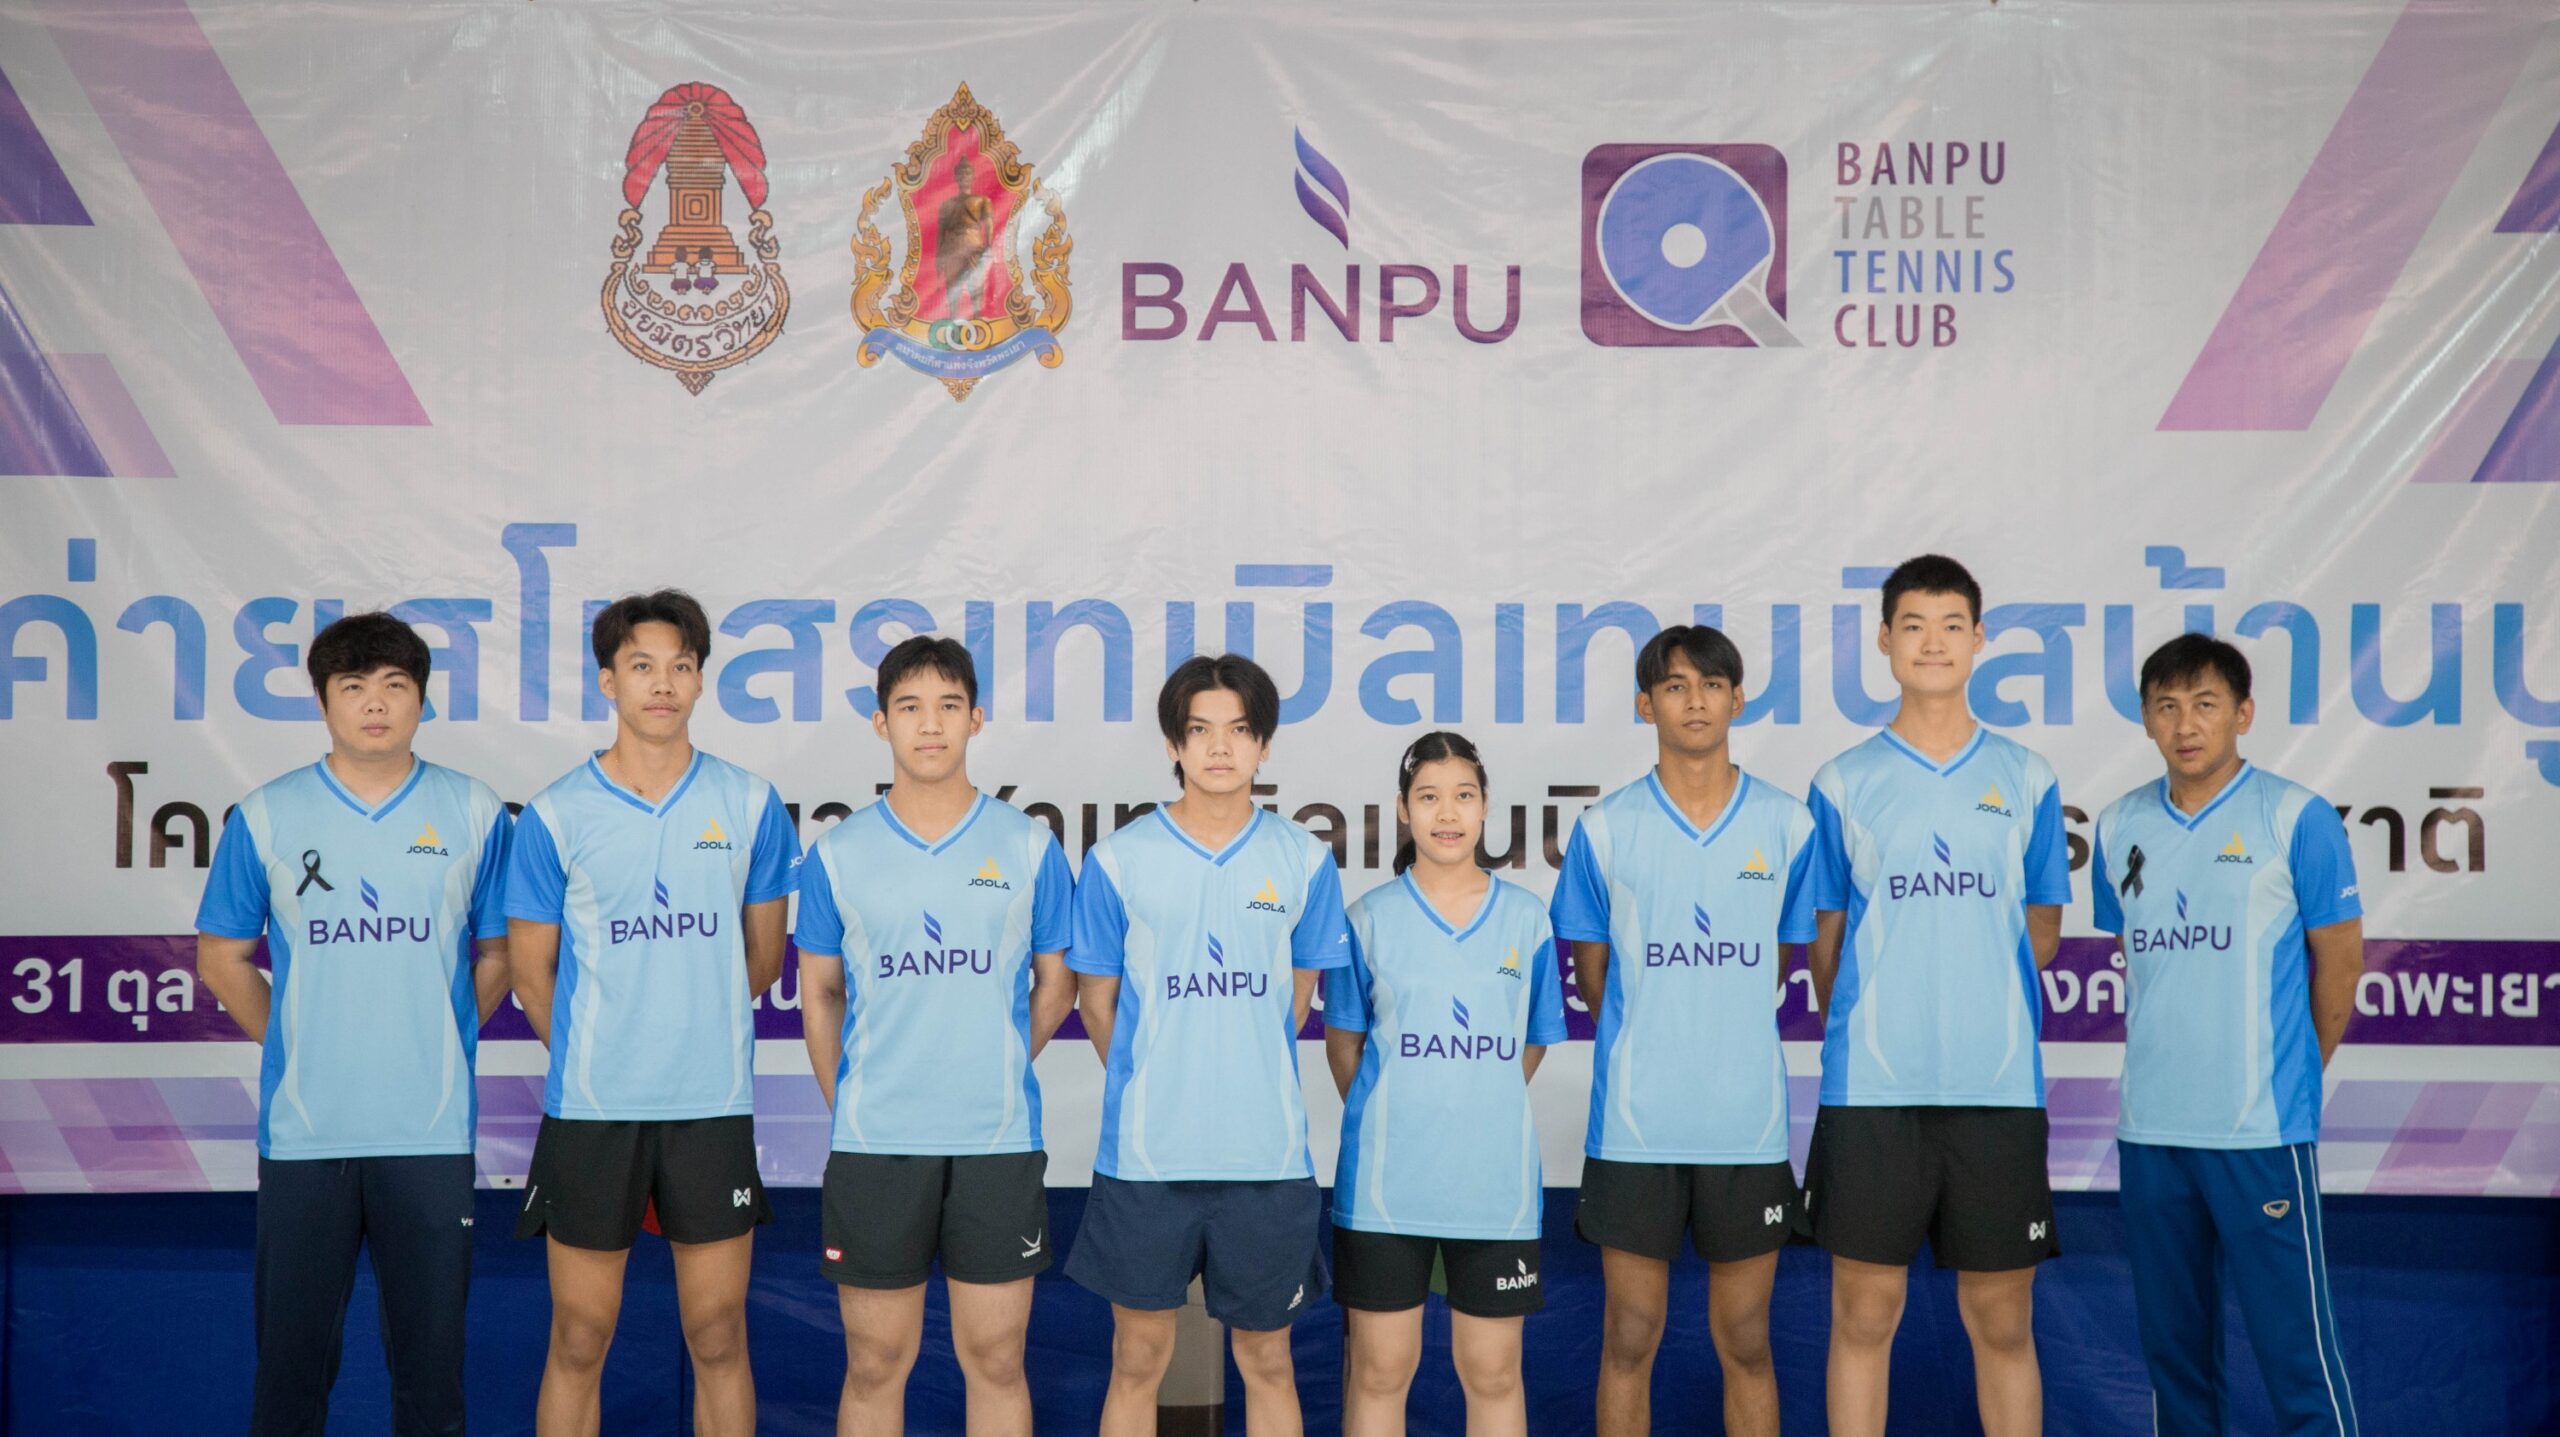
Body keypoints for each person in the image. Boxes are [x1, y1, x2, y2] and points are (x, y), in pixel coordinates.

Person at [194, 611, 512, 1437]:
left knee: (432, 1384)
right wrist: (299, 1038)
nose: (376, 702)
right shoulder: (266, 814)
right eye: (354, 685)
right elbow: (222, 957)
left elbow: (501, 951)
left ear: (423, 700)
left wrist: (443, 1028)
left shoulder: (474, 810)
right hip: (309, 1132)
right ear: (323, 700)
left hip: (429, 1131)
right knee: (290, 1379)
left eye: (396, 685)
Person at [505, 590, 799, 1437]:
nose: (662, 683)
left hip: (710, 1104)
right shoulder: (557, 813)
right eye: (642, 666)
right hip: (593, 1109)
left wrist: (689, 1026)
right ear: (609, 680)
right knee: (579, 1335)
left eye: (681, 666)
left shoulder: (749, 802)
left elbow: (762, 959)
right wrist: (604, 1053)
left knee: (718, 1332)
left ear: (701, 680)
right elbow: (531, 974)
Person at [1803, 554, 2071, 1437]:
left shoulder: (2027, 776)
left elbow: (2041, 928)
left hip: (1997, 1088)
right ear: (1884, 640)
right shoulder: (1842, 780)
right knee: (1863, 1313)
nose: (1933, 642)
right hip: (1874, 1090)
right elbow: (1828, 941)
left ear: (1980, 639)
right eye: (1913, 625)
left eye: (1952, 625)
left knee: (2002, 1320)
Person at [793, 635, 1077, 1437]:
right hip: (876, 1144)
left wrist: (993, 1059)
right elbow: (820, 993)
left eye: (949, 706)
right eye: (910, 707)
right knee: (875, 1361)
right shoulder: (838, 854)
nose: (930, 724)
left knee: (997, 1358)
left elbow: (1056, 985)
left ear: (976, 718)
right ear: (881, 722)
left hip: (995, 1142)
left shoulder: (1028, 845)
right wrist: (854, 1098)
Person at [1064, 653, 1352, 1437]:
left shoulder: (1303, 858)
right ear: (1173, 744)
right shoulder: (1119, 859)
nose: (1220, 747)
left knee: (1269, 1360)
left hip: (1266, 1159)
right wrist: (1156, 1078)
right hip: (1147, 1160)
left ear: (1264, 744)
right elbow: (1097, 1002)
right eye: (1200, 730)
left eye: (1239, 730)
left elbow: (1298, 997)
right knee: (1137, 1359)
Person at [1549, 625, 1820, 1437]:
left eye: (1711, 684)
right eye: (1674, 685)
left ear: (1738, 698)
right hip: (1638, 1128)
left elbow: (1779, 962)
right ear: (1646, 704)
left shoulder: (1787, 825)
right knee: (1629, 1337)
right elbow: (1594, 976)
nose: (1694, 700)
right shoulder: (1606, 828)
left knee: (1747, 1339)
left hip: (1746, 1126)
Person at [2092, 634, 2364, 1437]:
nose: (2186, 724)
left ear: (2243, 713)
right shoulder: (2118, 824)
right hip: (2152, 1133)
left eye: (2206, 704)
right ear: (2146, 719)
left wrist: (2291, 1075)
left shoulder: (2296, 816)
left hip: (2259, 1134)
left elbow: (2340, 965)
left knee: (2297, 1358)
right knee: (2175, 1360)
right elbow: (2136, 954)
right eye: (2168, 706)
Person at [1328, 731, 1567, 1437]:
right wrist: (1400, 1111)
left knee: (1493, 1372)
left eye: (1463, 795)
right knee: (1379, 1369)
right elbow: (1345, 1046)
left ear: (1486, 805)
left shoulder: (1526, 917)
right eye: (1428, 797)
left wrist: (1476, 1100)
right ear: (1404, 809)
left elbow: (1530, 1042)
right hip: (1386, 1187)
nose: (1447, 812)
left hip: (1493, 1186)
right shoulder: (1368, 918)